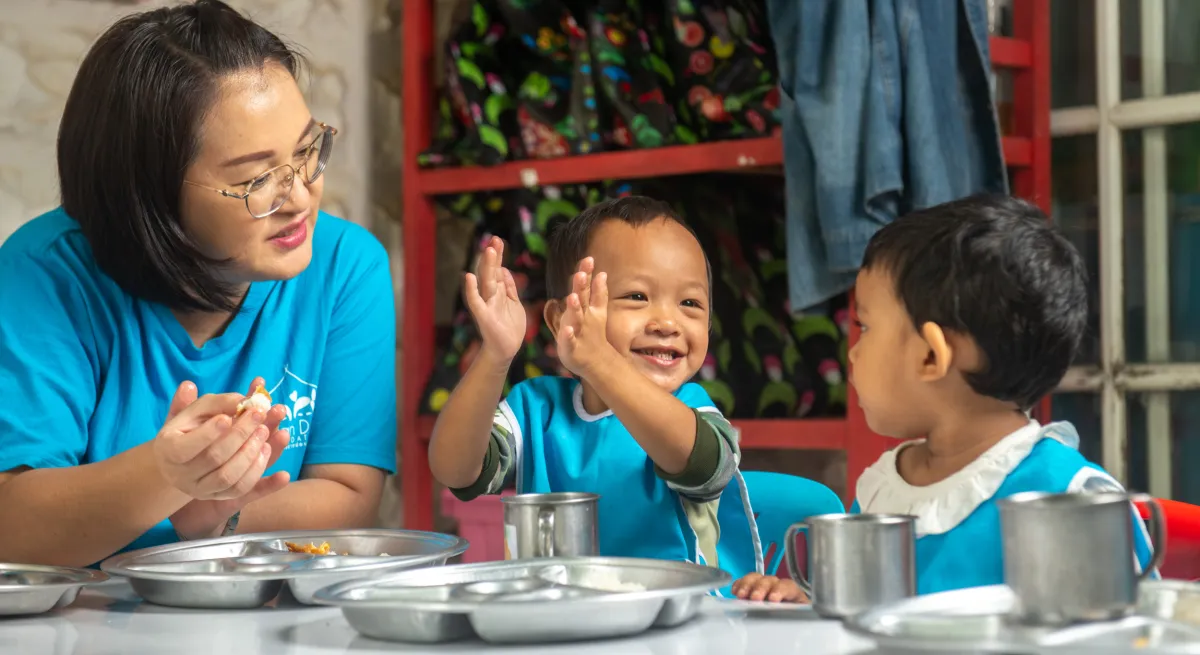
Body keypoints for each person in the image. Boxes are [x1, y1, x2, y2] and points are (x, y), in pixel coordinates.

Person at [0, 0, 396, 567]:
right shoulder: (43, 275)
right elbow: (11, 526)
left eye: (308, 151)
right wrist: (168, 479)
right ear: (149, 197)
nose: (303, 196)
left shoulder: (346, 265)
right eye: (258, 178)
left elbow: (349, 497)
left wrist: (217, 516)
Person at [734, 195, 1156, 602]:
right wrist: (811, 599)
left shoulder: (1067, 499)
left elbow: (1128, 632)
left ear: (931, 355)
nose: (853, 352)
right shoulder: (885, 486)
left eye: (865, 326)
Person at [429, 196, 761, 579]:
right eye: (637, 296)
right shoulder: (536, 409)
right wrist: (495, 357)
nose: (668, 322)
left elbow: (703, 463)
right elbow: (456, 470)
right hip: (558, 617)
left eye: (690, 303)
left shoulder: (691, 411)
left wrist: (600, 361)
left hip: (675, 620)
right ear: (560, 319)